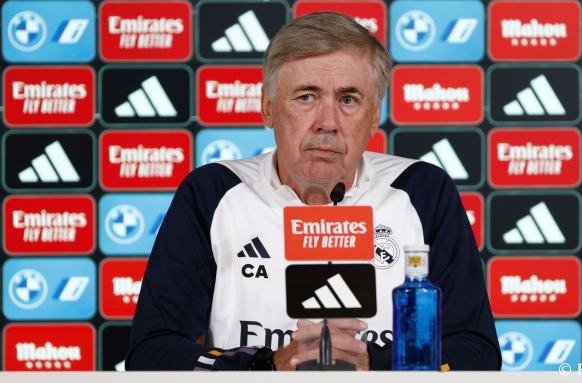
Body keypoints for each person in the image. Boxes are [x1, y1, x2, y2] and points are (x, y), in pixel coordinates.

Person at [127, 11, 500, 371]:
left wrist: (374, 363)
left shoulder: (423, 192)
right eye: (306, 96)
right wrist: (267, 366)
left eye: (348, 99)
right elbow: (151, 352)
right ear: (268, 108)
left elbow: (476, 352)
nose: (328, 123)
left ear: (374, 116)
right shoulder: (211, 193)